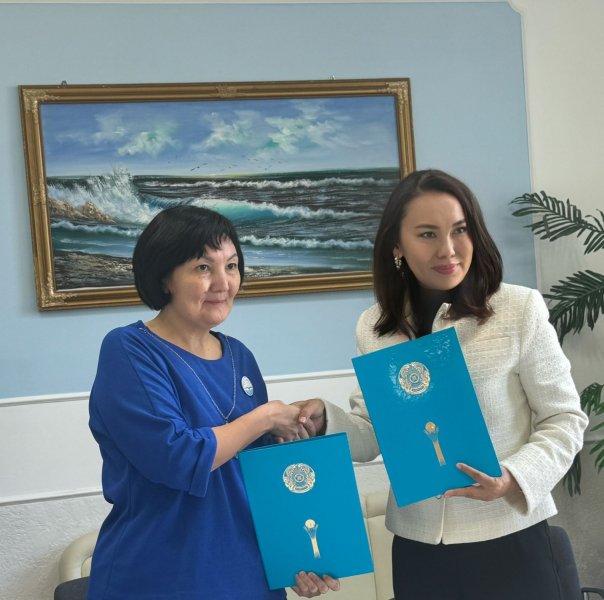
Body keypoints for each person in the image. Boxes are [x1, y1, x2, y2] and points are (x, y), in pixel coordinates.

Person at [295, 169, 588, 600]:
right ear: (397, 245)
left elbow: (564, 419)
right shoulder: (374, 328)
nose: (447, 249)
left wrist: (513, 477)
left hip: (512, 541)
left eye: (460, 230)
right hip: (420, 552)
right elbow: (374, 432)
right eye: (427, 234)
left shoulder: (518, 309)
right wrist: (325, 419)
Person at [87, 205, 340, 600]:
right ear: (165, 276)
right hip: (163, 578)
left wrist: (293, 556)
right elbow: (177, 457)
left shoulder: (240, 356)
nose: (223, 283)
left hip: (251, 578)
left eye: (232, 266)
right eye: (203, 267)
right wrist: (266, 417)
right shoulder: (129, 349)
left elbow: (262, 478)